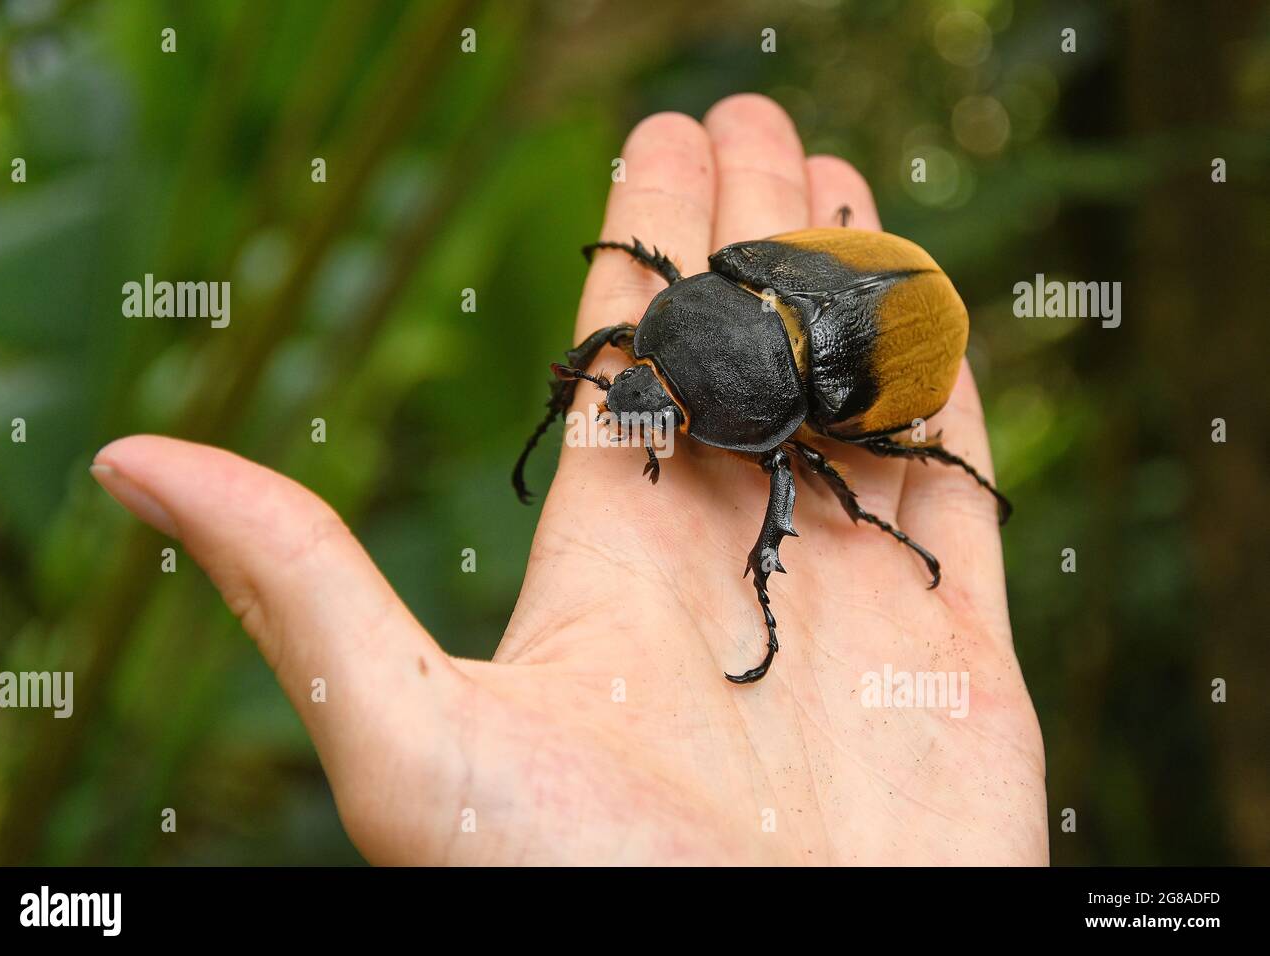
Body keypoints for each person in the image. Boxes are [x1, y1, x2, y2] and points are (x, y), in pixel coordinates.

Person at [89, 94, 1047, 865]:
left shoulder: (786, 408)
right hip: (812, 289)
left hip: (882, 331)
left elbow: (786, 475)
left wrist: (763, 581)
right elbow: (622, 343)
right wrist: (571, 395)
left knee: (853, 461)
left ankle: (861, 513)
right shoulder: (709, 300)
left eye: (654, 403)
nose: (630, 396)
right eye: (640, 382)